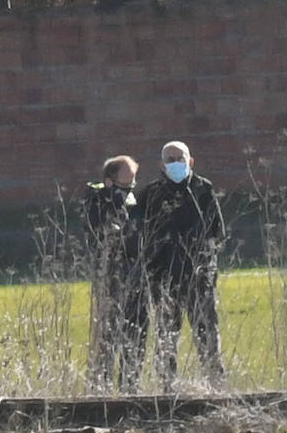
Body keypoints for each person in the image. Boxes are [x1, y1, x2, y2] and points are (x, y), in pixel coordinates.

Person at [140, 141, 227, 390]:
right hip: (165, 276)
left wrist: (207, 261)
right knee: (167, 333)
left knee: (207, 332)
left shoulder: (202, 189)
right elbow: (143, 233)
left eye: (180, 158)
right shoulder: (152, 193)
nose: (175, 163)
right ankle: (167, 385)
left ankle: (215, 383)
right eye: (170, 159)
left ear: (190, 161)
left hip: (199, 275)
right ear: (162, 164)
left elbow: (217, 231)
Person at [83, 155, 149, 392]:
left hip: (137, 276)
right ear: (110, 181)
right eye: (125, 180)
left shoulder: (134, 202)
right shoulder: (99, 202)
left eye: (133, 180)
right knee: (109, 333)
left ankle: (131, 385)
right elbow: (100, 234)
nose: (131, 185)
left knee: (138, 331)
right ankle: (101, 385)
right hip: (111, 277)